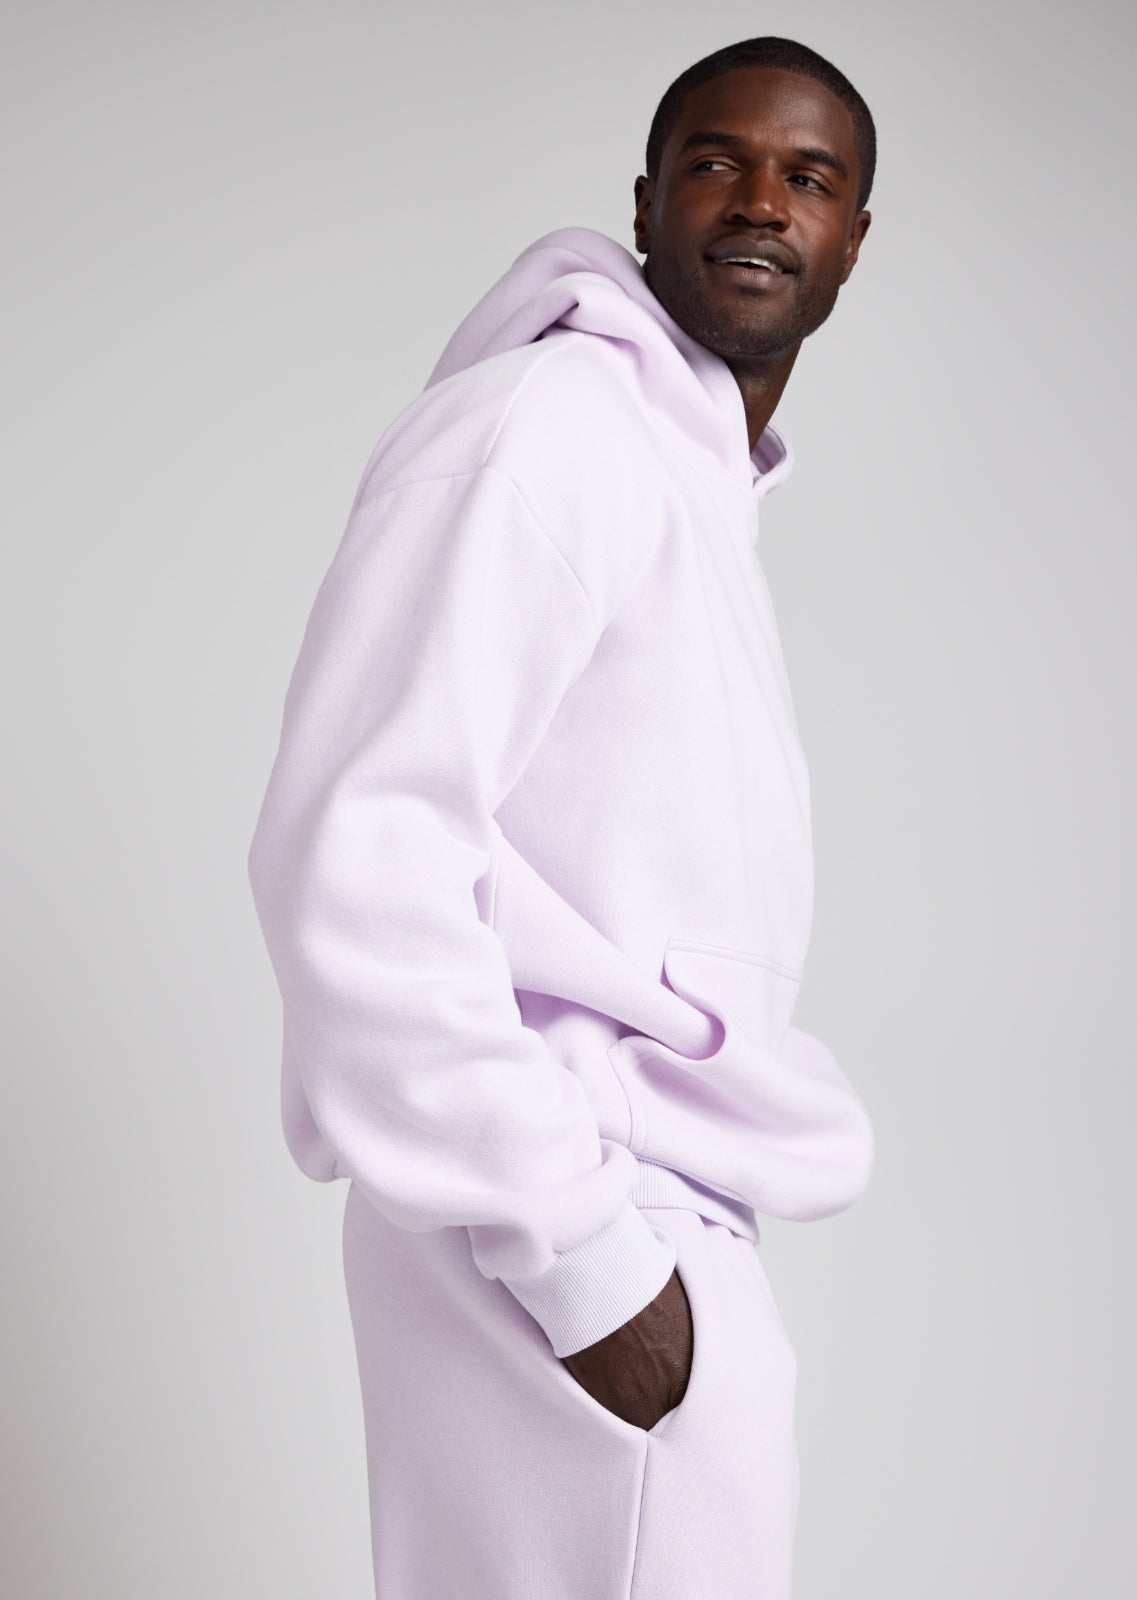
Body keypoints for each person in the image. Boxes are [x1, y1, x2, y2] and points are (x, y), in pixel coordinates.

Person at [249, 33, 876, 1600]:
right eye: (718, 160)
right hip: (569, 1209)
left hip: (616, 1207)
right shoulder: (552, 429)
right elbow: (360, 848)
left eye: (809, 177)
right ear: (646, 200)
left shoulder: (687, 483)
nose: (762, 200)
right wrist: (588, 1262)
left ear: (854, 239)